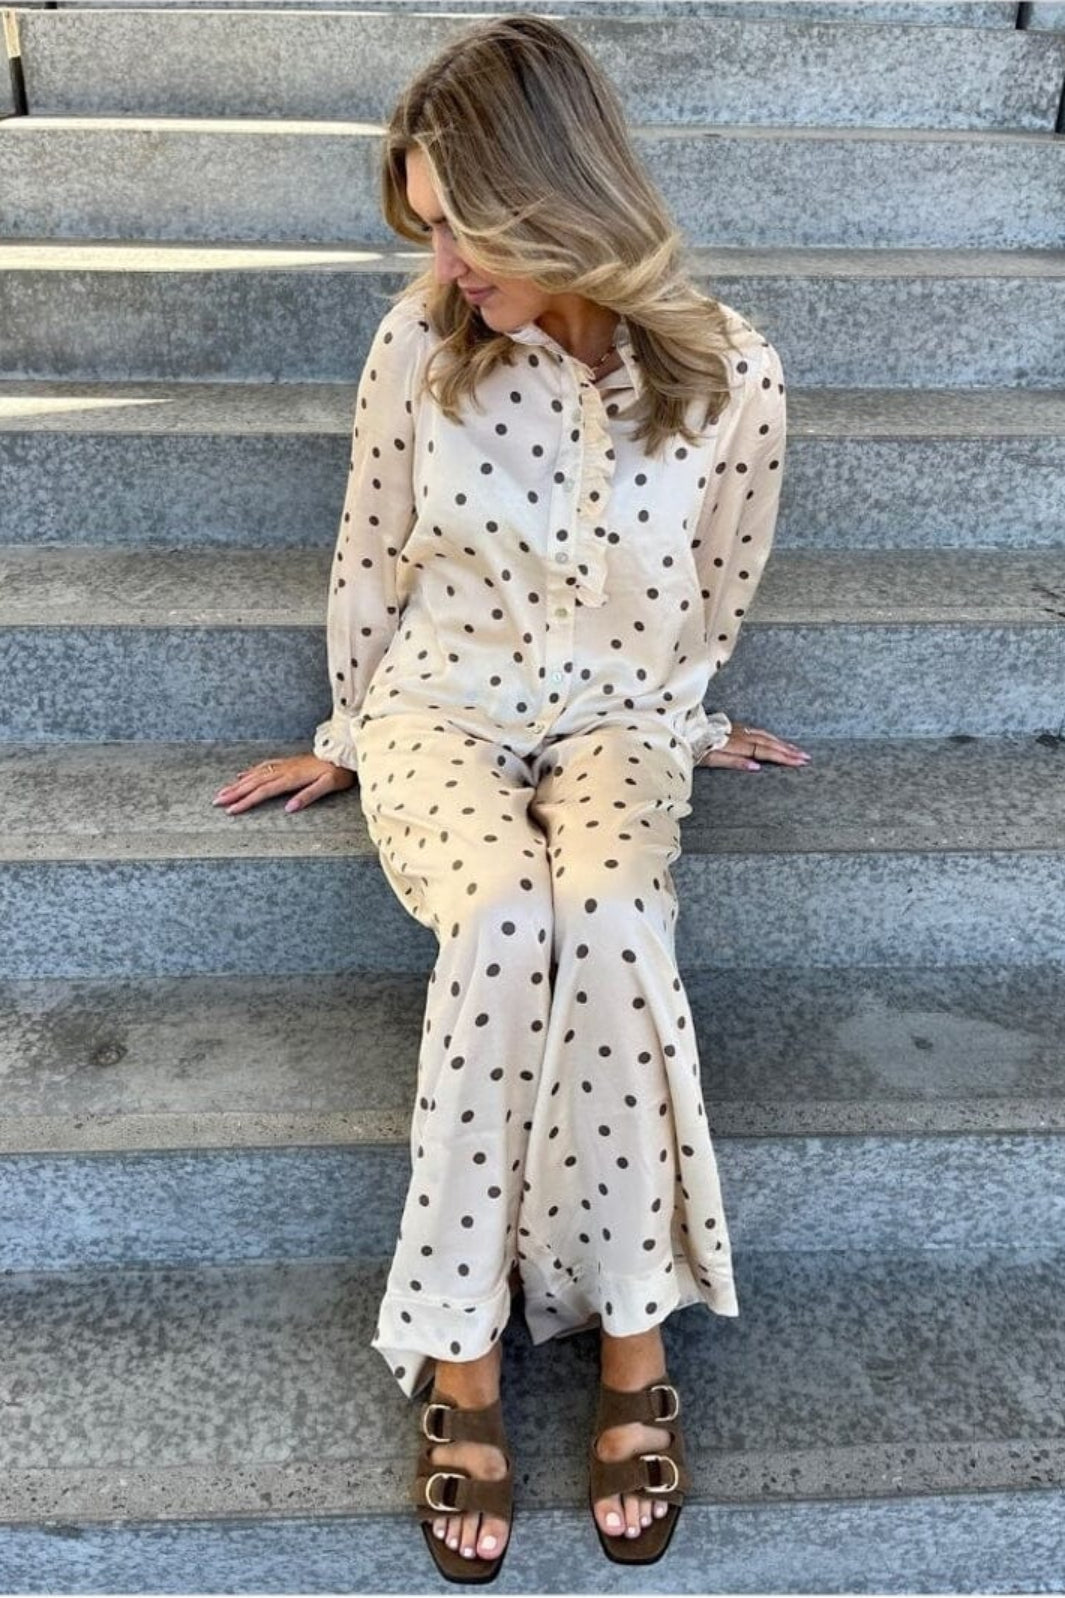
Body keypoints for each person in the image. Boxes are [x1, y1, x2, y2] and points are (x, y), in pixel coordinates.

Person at [211, 12, 805, 1580]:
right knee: (497, 920)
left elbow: (719, 578)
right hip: (443, 699)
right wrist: (347, 730)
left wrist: (686, 712)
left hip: (617, 710)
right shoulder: (420, 343)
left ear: (555, 197)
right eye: (424, 228)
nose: (442, 264)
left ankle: (629, 1332)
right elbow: (368, 546)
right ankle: (460, 1356)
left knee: (607, 914)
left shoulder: (731, 372)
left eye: (463, 227)